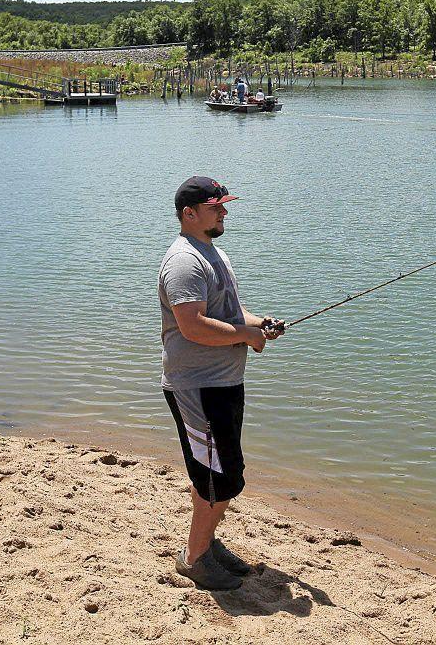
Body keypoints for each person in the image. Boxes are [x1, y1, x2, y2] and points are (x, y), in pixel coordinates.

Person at [159, 176, 285, 590]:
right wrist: (246, 336)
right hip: (198, 387)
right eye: (216, 207)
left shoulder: (212, 252)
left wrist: (258, 324)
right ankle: (195, 558)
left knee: (220, 473)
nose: (225, 212)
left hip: (223, 383)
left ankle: (206, 544)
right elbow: (192, 325)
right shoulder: (184, 261)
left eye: (224, 205)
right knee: (218, 478)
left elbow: (231, 310)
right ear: (189, 214)